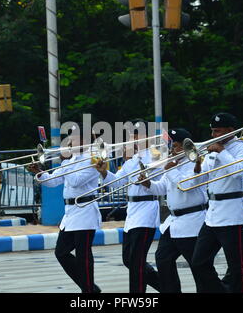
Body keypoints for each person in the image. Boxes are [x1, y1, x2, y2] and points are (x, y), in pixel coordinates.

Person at [34, 122, 102, 293]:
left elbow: (76, 181)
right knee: (61, 252)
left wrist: (65, 164)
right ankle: (89, 287)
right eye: (71, 137)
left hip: (85, 211)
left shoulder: (93, 159)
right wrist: (39, 172)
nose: (71, 141)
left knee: (83, 256)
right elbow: (53, 181)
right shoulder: (70, 160)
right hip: (71, 213)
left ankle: (88, 291)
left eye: (76, 138)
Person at [95, 118, 161, 293]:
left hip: (147, 211)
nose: (133, 138)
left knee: (137, 262)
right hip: (132, 213)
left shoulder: (155, 155)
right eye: (132, 135)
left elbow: (155, 176)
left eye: (137, 135)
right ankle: (165, 286)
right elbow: (118, 182)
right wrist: (104, 172)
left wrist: (135, 155)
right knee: (128, 260)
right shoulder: (130, 160)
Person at [138, 128, 208, 293]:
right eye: (171, 146)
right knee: (162, 259)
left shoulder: (197, 164)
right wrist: (148, 184)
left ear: (186, 147)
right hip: (173, 223)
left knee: (198, 267)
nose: (171, 150)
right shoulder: (173, 164)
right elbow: (162, 188)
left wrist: (170, 169)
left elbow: (186, 186)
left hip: (192, 223)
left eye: (175, 146)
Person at [190, 112, 243, 293]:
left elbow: (239, 173)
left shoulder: (241, 148)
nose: (213, 135)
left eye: (217, 131)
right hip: (213, 215)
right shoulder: (212, 149)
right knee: (198, 262)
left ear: (230, 131)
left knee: (236, 267)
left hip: (232, 214)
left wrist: (221, 152)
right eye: (213, 131)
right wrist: (197, 166)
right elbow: (202, 179)